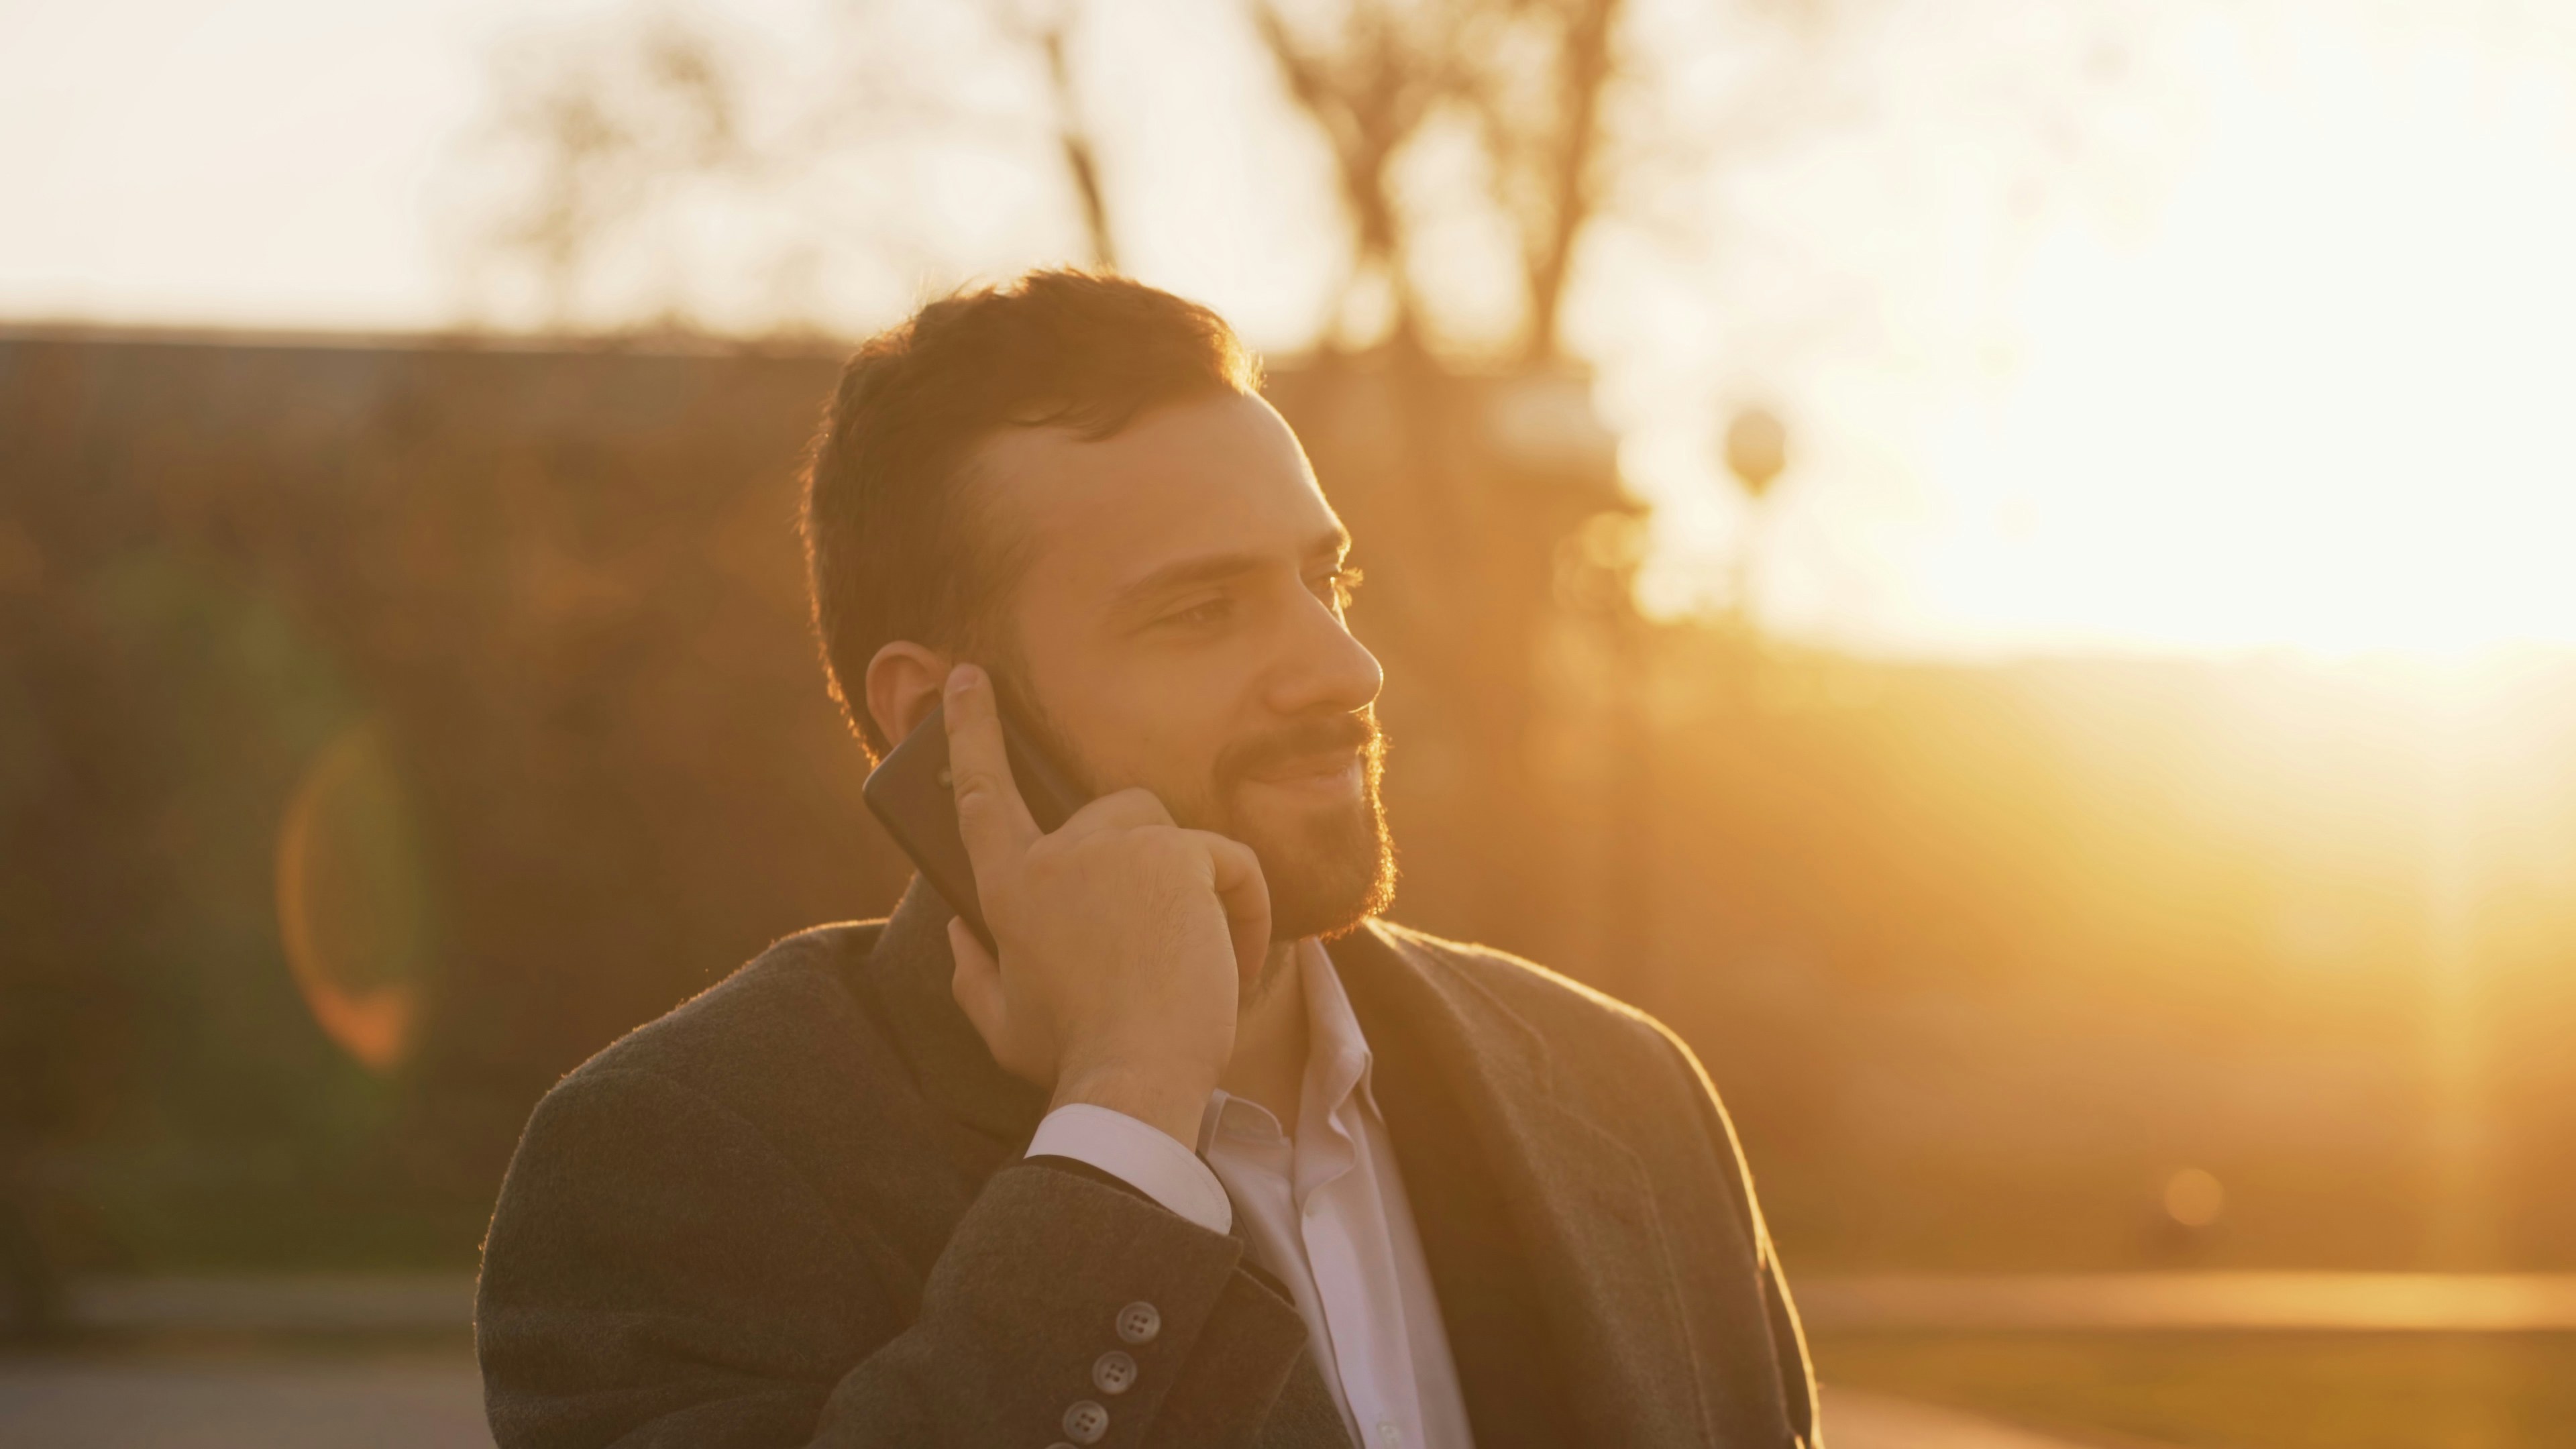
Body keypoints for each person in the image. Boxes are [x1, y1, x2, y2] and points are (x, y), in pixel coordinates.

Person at [475, 270, 1819, 1449]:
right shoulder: (686, 1154)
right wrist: (1123, 1117)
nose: (1342, 668)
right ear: (945, 721)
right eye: (1201, 611)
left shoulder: (1626, 1093)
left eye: (1324, 583)